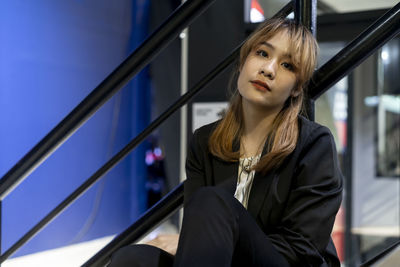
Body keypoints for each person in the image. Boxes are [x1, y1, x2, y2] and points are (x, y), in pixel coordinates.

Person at [108, 17, 343, 267]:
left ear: (296, 88)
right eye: (262, 53)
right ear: (243, 61)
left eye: (287, 65)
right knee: (132, 258)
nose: (269, 69)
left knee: (213, 201)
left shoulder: (314, 144)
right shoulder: (205, 141)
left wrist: (216, 241)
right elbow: (200, 230)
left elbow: (301, 250)